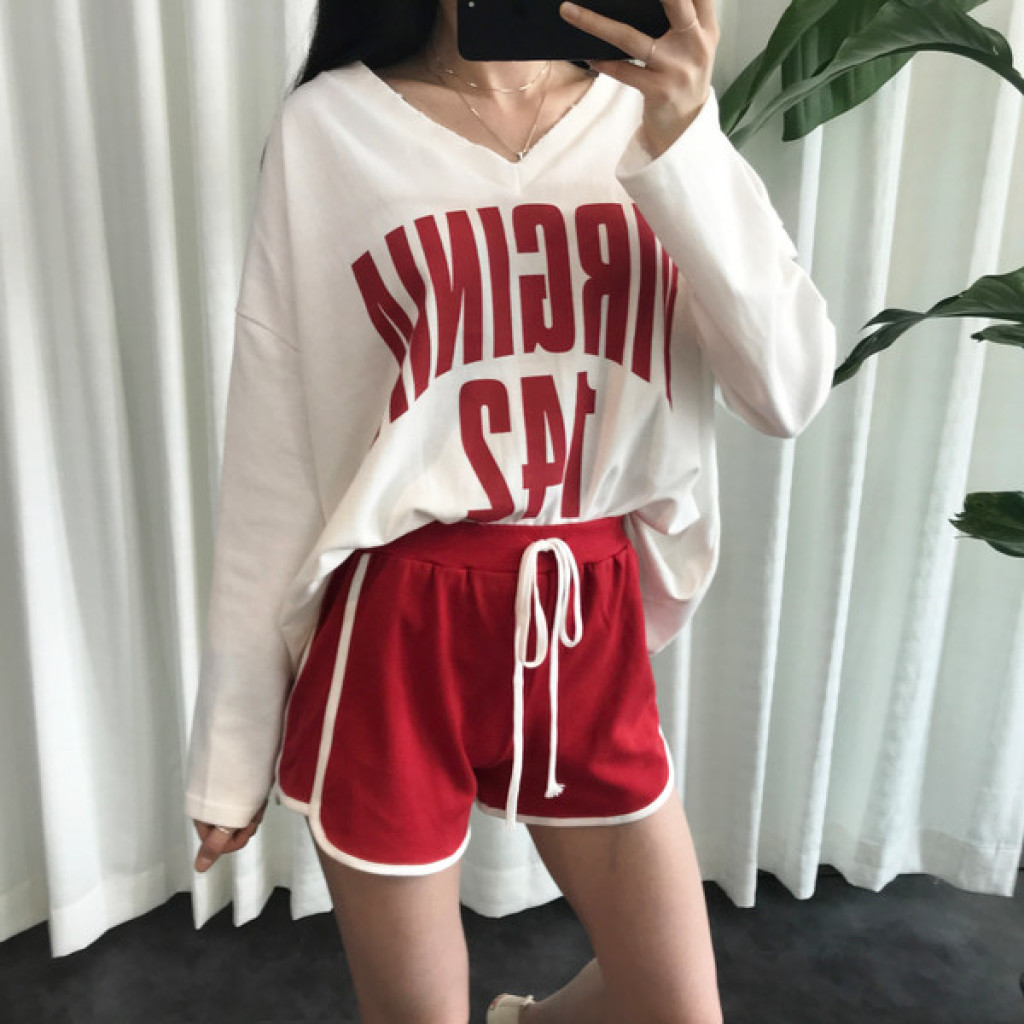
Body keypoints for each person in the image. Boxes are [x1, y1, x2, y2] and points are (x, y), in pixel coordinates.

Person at [185, 0, 837, 1021]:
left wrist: (684, 139)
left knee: (673, 1007)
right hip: (397, 627)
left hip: (583, 620)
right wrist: (231, 752)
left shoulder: (652, 116)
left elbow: (788, 390)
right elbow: (274, 448)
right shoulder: (332, 130)